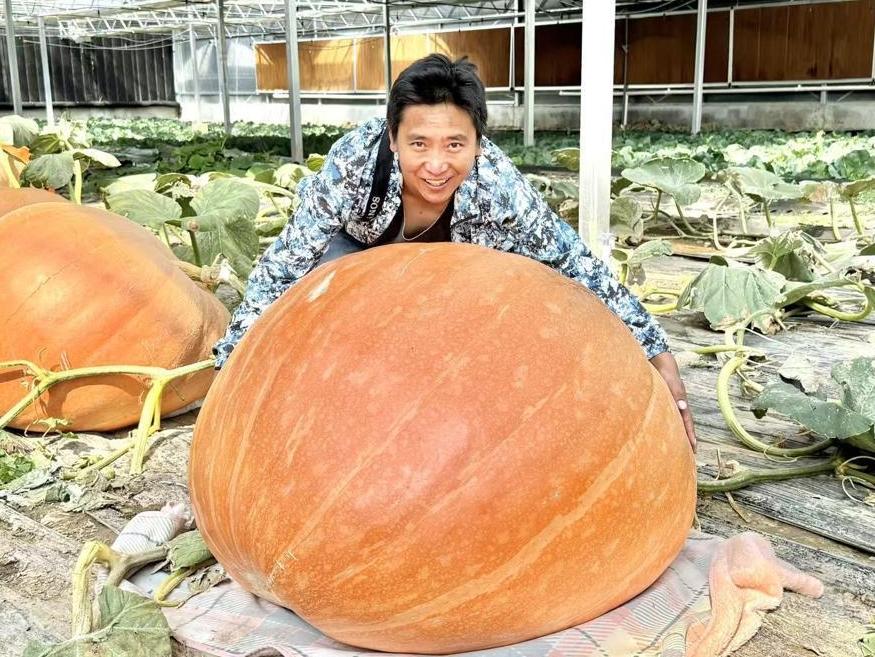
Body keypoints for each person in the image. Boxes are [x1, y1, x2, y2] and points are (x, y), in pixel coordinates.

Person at [213, 53, 697, 452]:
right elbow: (284, 264)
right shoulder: (354, 165)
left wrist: (655, 349)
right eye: (418, 143)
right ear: (392, 138)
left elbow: (574, 261)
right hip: (357, 255)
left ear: (478, 144)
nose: (437, 164)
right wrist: (232, 364)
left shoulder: (498, 186)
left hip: (445, 271)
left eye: (455, 144)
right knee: (315, 308)